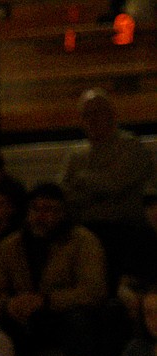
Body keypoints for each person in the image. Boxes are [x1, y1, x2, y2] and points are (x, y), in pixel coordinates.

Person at [0, 183, 108, 356]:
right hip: (21, 315)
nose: (40, 216)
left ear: (62, 212)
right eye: (35, 209)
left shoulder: (83, 241)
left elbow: (94, 290)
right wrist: (9, 304)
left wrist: (46, 300)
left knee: (78, 320)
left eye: (48, 209)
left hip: (61, 313)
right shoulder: (11, 245)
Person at [62, 89, 156, 291]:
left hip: (123, 232)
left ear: (111, 115)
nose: (92, 120)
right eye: (86, 115)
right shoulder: (76, 156)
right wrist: (99, 189)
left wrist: (83, 180)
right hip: (83, 232)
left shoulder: (130, 147)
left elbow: (114, 185)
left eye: (98, 112)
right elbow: (66, 196)